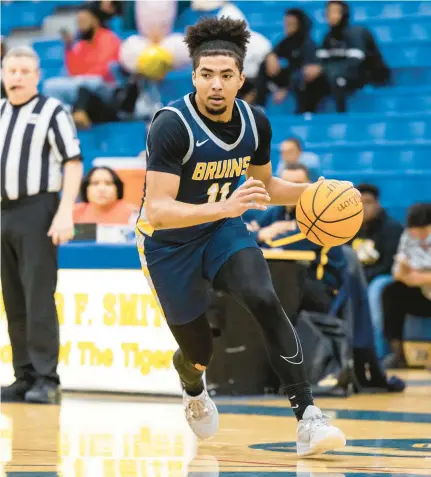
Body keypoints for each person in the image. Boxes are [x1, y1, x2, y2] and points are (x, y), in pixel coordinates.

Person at [135, 17, 346, 456]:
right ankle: (193, 388)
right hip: (167, 244)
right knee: (198, 353)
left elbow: (266, 187)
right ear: (193, 76)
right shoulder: (171, 124)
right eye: (207, 75)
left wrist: (315, 192)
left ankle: (308, 416)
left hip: (222, 232)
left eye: (226, 75)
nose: (216, 84)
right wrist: (228, 206)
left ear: (241, 78)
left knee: (263, 297)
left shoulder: (256, 123)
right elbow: (158, 209)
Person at [0, 46, 83, 403]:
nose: (16, 77)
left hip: (38, 209)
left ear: (37, 76)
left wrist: (65, 212)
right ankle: (24, 375)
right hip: (3, 211)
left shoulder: (52, 111)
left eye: (24, 71)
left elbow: (74, 163)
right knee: (13, 298)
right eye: (11, 70)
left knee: (38, 296)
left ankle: (47, 378)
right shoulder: (0, 112)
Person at [382, 203, 431, 369]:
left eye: (423, 231)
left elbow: (411, 275)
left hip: (422, 284)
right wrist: (412, 276)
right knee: (391, 292)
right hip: (420, 293)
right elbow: (398, 273)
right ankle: (397, 353)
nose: (418, 235)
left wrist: (417, 276)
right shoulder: (408, 236)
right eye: (414, 230)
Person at [351, 184, 403, 283]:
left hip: (383, 278)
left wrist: (361, 277)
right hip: (355, 277)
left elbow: (389, 265)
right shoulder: (348, 228)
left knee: (377, 285)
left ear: (377, 204)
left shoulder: (392, 228)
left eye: (368, 202)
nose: (363, 207)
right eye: (359, 203)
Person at [74, 166, 138, 224]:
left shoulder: (132, 214)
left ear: (118, 188)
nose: (102, 189)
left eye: (108, 183)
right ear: (85, 189)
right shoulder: (73, 212)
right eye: (95, 183)